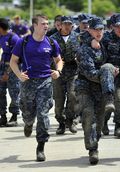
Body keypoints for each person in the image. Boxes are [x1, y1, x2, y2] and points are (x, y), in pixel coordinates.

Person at [10, 14, 63, 161]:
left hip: (45, 82)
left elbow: (59, 60)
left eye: (47, 23)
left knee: (43, 114)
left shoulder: (51, 42)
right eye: (43, 23)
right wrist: (19, 75)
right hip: (27, 82)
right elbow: (13, 61)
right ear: (34, 25)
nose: (46, 26)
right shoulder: (24, 42)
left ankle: (40, 147)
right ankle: (28, 123)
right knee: (28, 112)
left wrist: (58, 71)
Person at [74, 16, 106, 165]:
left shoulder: (105, 43)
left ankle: (95, 141)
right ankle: (93, 149)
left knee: (99, 120)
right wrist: (108, 75)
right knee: (88, 117)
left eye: (101, 29)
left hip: (101, 89)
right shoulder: (84, 49)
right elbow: (91, 74)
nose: (99, 32)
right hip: (85, 86)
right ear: (90, 30)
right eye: (96, 30)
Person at [50, 16, 80, 134]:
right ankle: (61, 123)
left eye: (70, 24)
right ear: (60, 25)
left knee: (73, 96)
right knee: (58, 99)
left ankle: (70, 120)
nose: (67, 26)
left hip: (73, 71)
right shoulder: (52, 39)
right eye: (65, 24)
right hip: (58, 72)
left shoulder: (77, 37)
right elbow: (48, 55)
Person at [0, 18, 20, 127]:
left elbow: (17, 58)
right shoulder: (1, 36)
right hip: (2, 66)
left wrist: (7, 73)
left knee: (14, 93)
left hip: (12, 68)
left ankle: (14, 116)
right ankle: (2, 116)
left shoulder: (14, 38)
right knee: (0, 92)